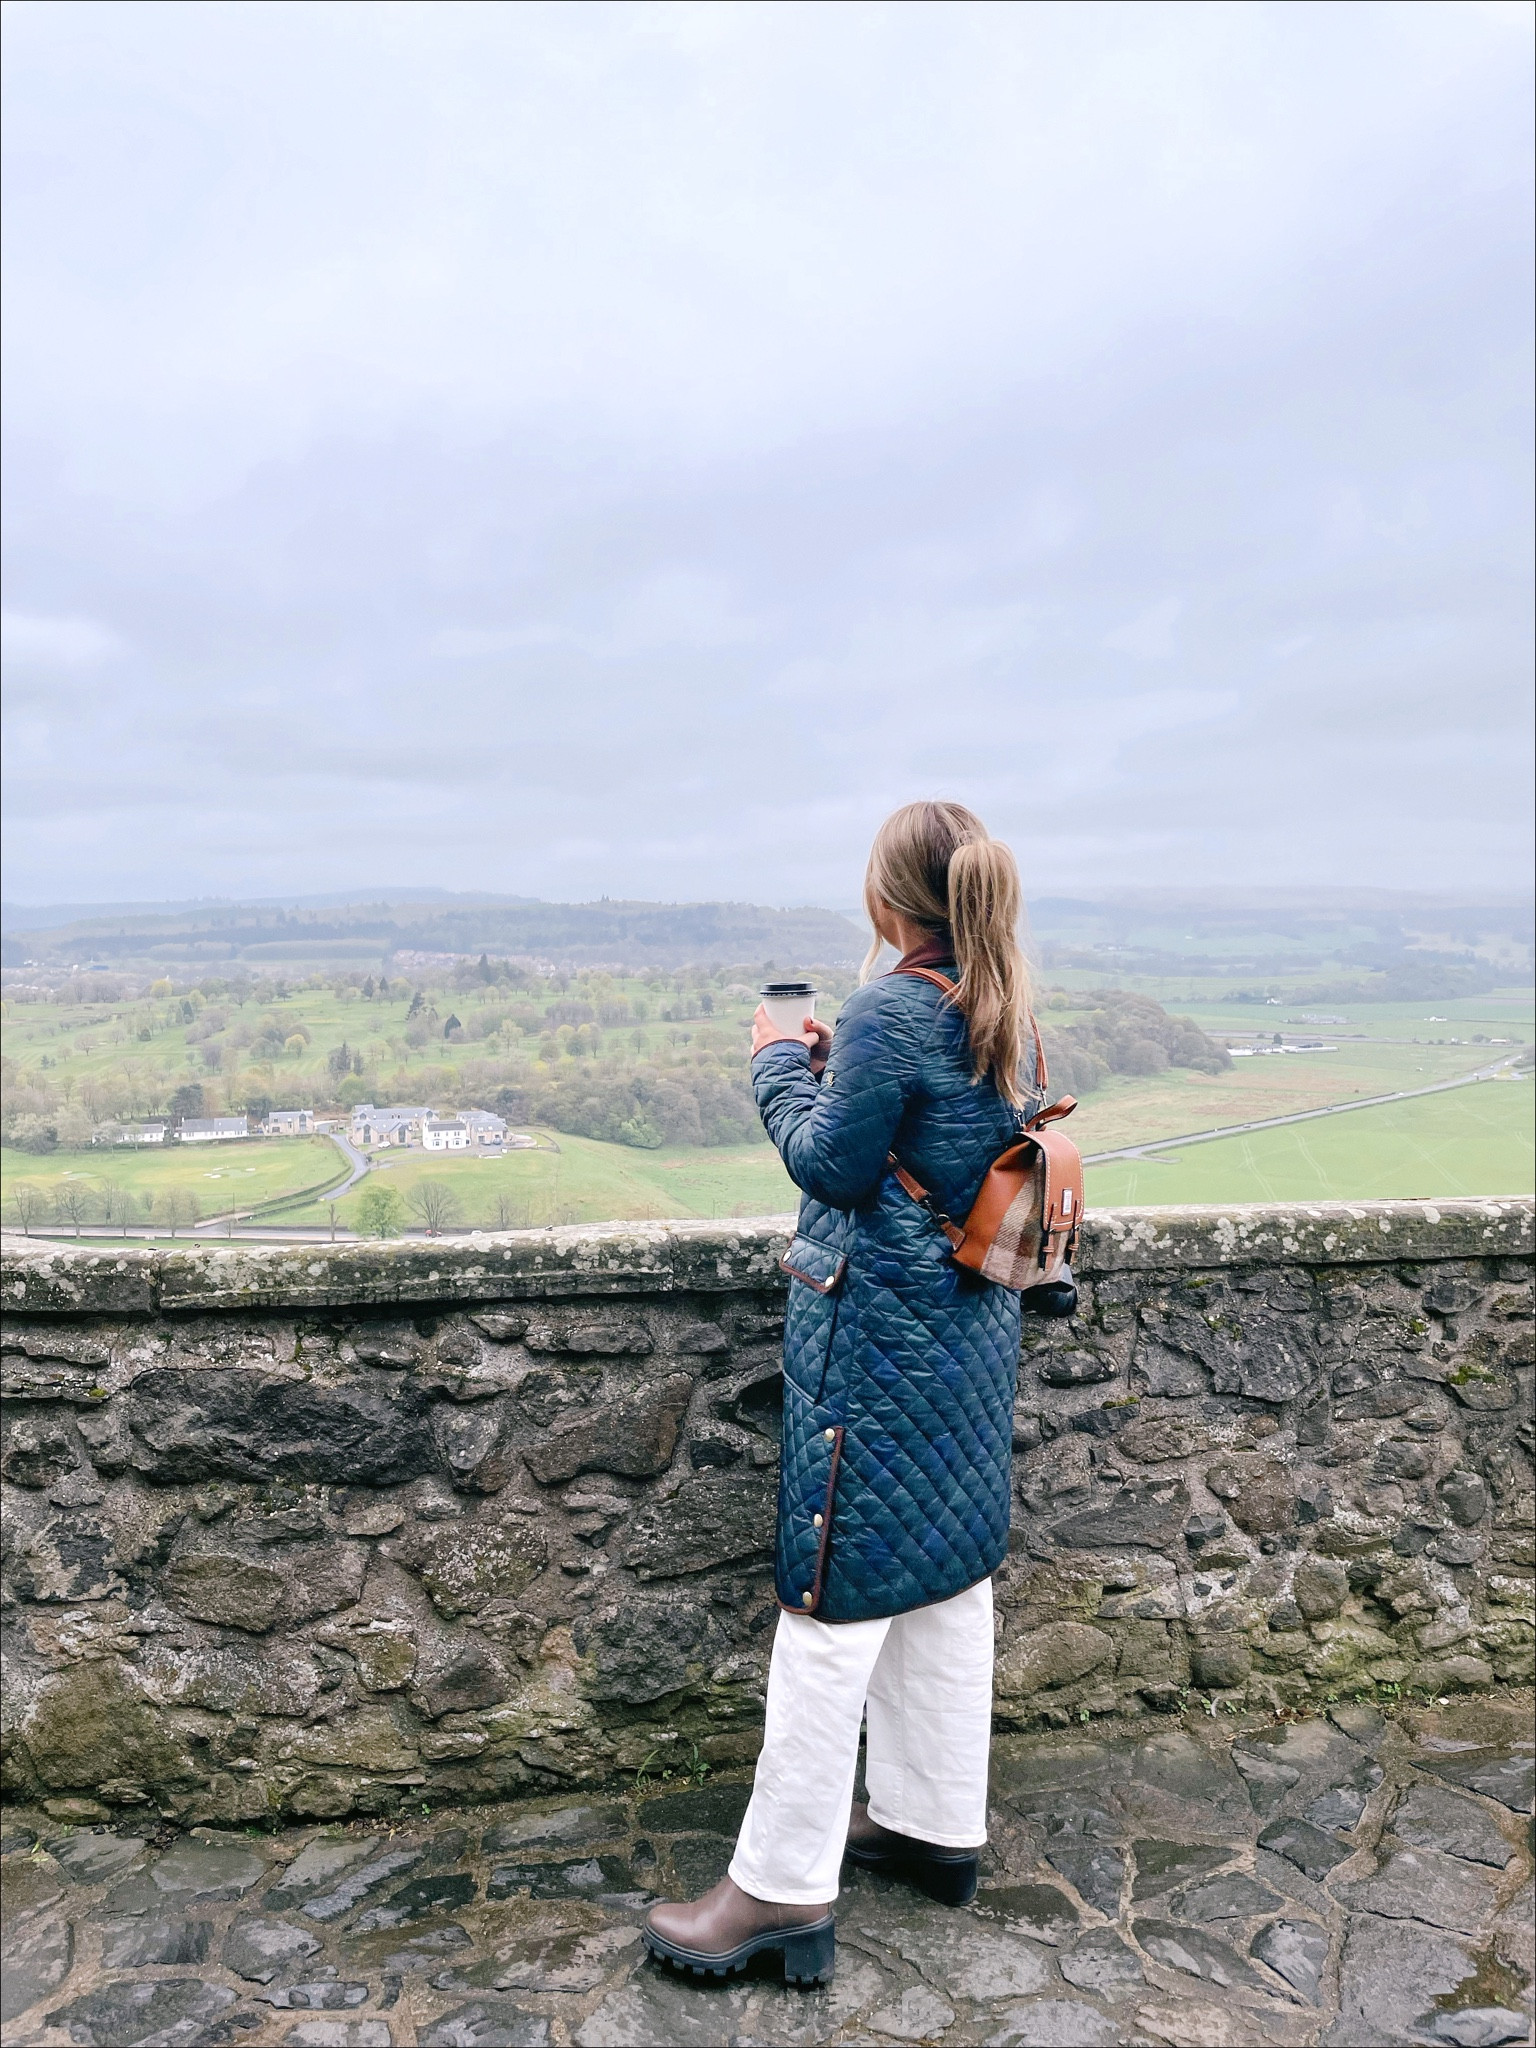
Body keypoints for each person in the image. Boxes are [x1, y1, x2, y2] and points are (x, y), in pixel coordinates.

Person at [643, 799, 1038, 1987]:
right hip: (969, 1344)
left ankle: (779, 1887)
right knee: (948, 1582)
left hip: (876, 1351)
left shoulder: (889, 1008)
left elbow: (831, 1163)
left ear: (885, 897)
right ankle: (933, 1823)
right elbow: (929, 1134)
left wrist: (776, 1061)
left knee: (829, 1610)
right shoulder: (1001, 1006)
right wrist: (840, 1070)